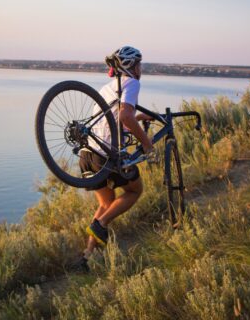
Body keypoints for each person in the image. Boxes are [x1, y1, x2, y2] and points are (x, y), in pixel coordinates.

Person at [76, 46, 154, 271]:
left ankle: (87, 256)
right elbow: (124, 116)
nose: (141, 68)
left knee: (106, 203)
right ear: (131, 66)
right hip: (104, 156)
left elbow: (114, 123)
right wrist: (147, 145)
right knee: (134, 191)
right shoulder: (132, 83)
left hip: (87, 154)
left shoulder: (108, 87)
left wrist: (138, 117)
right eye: (139, 64)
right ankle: (100, 224)